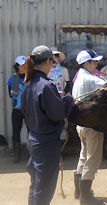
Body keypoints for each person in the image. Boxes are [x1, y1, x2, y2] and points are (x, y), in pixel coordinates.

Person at [21, 45, 73, 205]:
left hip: (34, 139)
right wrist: (68, 100)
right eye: (52, 62)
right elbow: (59, 113)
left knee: (36, 185)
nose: (53, 65)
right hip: (46, 144)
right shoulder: (46, 85)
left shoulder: (28, 84)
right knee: (44, 190)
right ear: (48, 61)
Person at [72, 50, 107, 205]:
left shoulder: (79, 77)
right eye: (94, 62)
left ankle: (79, 192)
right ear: (87, 63)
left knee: (84, 156)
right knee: (93, 159)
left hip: (80, 125)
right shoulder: (89, 79)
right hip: (91, 125)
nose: (96, 64)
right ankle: (86, 198)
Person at [47, 47, 70, 143]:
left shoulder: (63, 70)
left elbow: (68, 84)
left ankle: (60, 149)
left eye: (55, 56)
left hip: (61, 99)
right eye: (52, 57)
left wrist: (63, 94)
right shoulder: (46, 70)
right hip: (49, 99)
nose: (54, 59)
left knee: (62, 122)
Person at [7, 55, 27, 163]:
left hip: (29, 109)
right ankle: (17, 156)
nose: (23, 66)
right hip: (17, 109)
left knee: (32, 131)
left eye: (25, 64)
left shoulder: (30, 77)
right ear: (17, 66)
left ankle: (32, 155)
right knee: (16, 132)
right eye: (21, 64)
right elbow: (10, 94)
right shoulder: (12, 78)